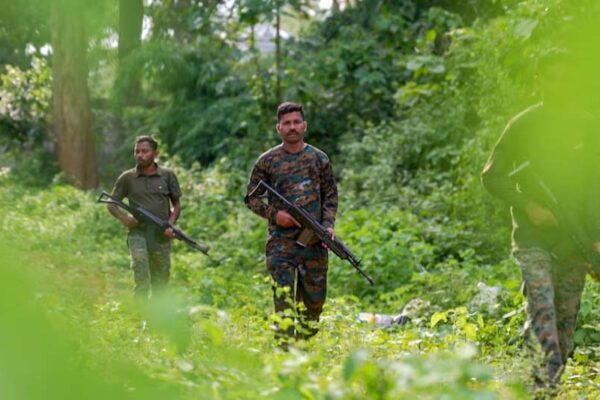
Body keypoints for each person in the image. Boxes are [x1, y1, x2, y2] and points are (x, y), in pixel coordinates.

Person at [481, 50, 600, 391]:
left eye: (567, 79)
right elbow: (492, 176)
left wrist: (595, 238)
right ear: (539, 82)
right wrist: (528, 205)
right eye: (552, 78)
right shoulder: (524, 125)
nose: (560, 85)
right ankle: (539, 390)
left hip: (575, 240)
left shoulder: (589, 126)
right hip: (533, 239)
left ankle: (543, 386)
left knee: (563, 323)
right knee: (542, 313)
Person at [245, 102, 338, 345]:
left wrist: (328, 226)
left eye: (296, 122)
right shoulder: (267, 161)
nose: (292, 127)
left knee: (314, 304)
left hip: (314, 241)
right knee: (284, 301)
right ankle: (284, 354)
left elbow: (330, 196)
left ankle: (302, 348)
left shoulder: (319, 159)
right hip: (281, 243)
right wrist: (275, 215)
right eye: (286, 123)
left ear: (304, 125)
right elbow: (251, 198)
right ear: (279, 128)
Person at [107, 135, 182, 300]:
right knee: (141, 276)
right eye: (137, 151)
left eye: (145, 151)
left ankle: (157, 314)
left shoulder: (168, 176)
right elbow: (111, 203)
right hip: (138, 233)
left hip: (161, 235)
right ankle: (139, 313)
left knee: (161, 282)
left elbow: (176, 205)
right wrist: (124, 218)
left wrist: (170, 225)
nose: (140, 155)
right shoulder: (127, 178)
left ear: (155, 154)